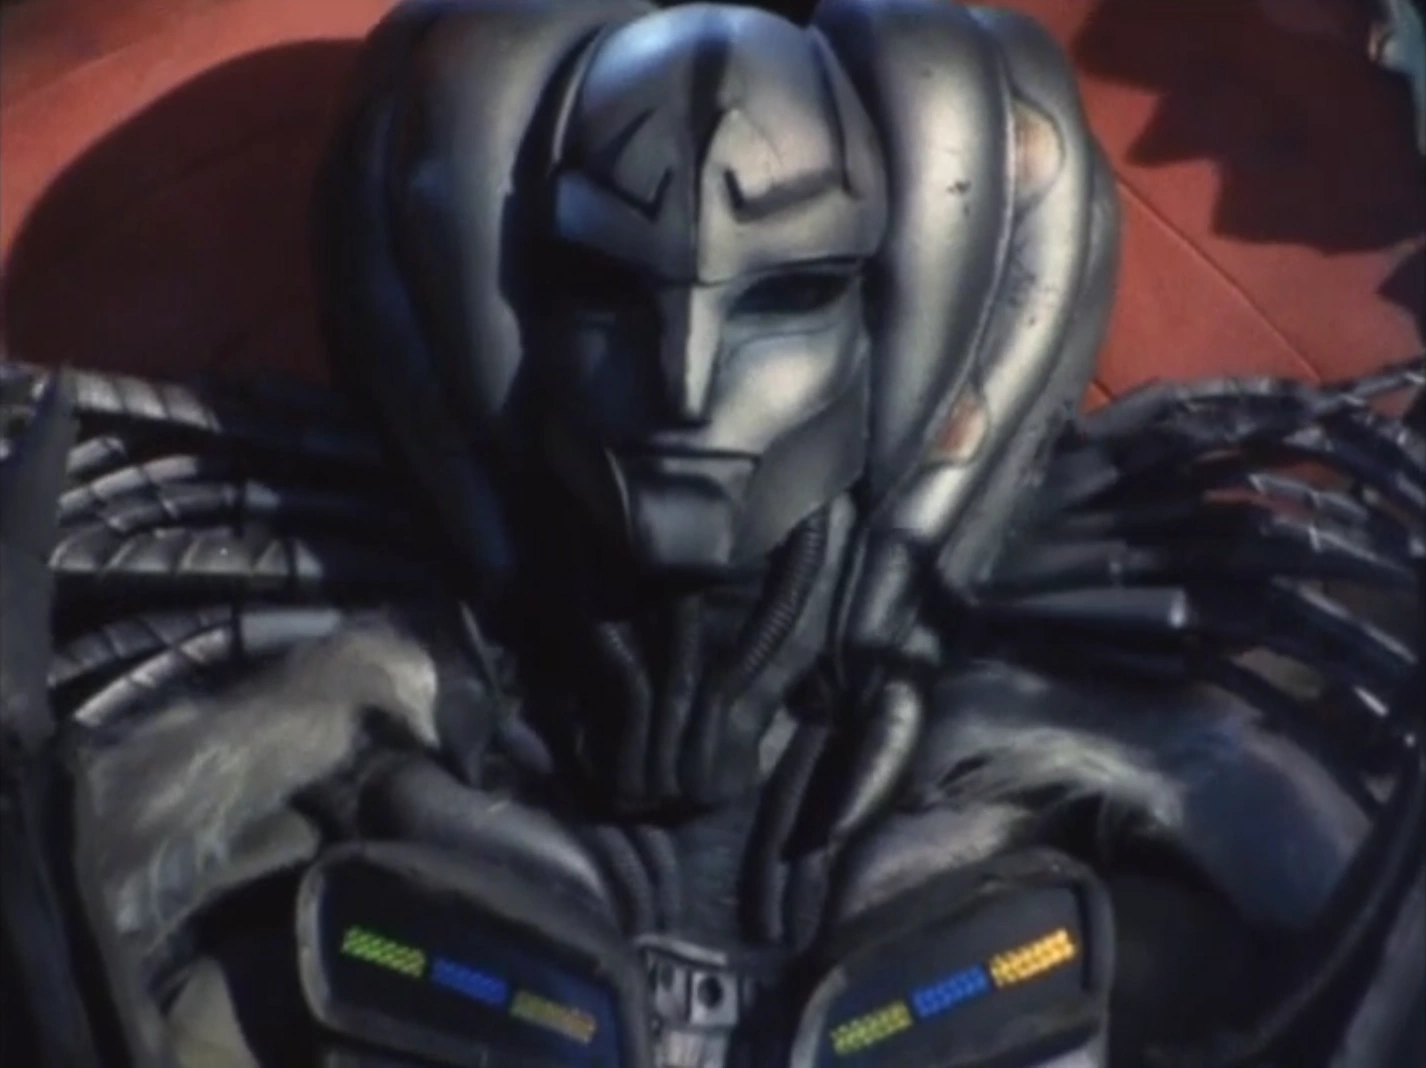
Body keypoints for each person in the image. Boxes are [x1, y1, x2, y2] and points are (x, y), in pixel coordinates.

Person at [2, 2, 1421, 1065]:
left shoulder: (1139, 838)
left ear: (901, 319)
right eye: (606, 292)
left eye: (784, 297)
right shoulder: (323, 820)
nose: (682, 383)